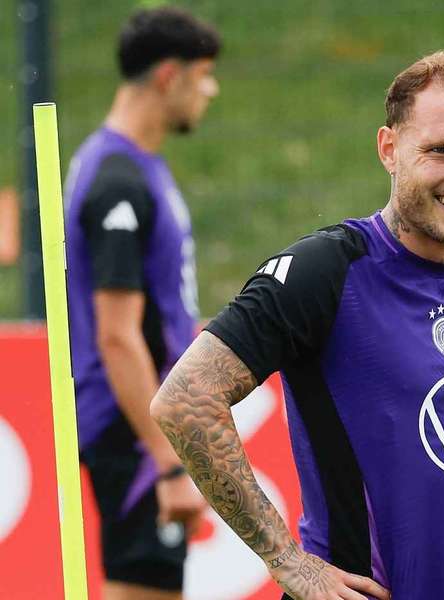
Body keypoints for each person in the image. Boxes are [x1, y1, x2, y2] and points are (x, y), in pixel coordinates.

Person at [150, 48, 444, 600]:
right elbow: (185, 399)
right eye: (441, 150)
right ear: (389, 148)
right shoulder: (323, 271)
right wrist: (288, 562)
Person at [64, 7, 220, 599]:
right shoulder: (117, 182)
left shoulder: (127, 167)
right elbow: (115, 334)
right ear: (168, 76)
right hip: (134, 431)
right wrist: (167, 461)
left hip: (146, 428)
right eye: (203, 73)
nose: (211, 89)